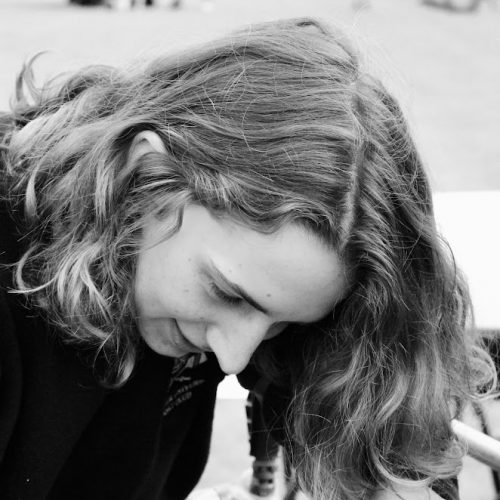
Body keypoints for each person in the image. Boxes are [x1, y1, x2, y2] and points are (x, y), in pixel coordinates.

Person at [0, 17, 494, 500]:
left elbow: (374, 418)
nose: (234, 355)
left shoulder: (243, 278)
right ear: (146, 175)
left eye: (282, 323)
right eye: (226, 293)